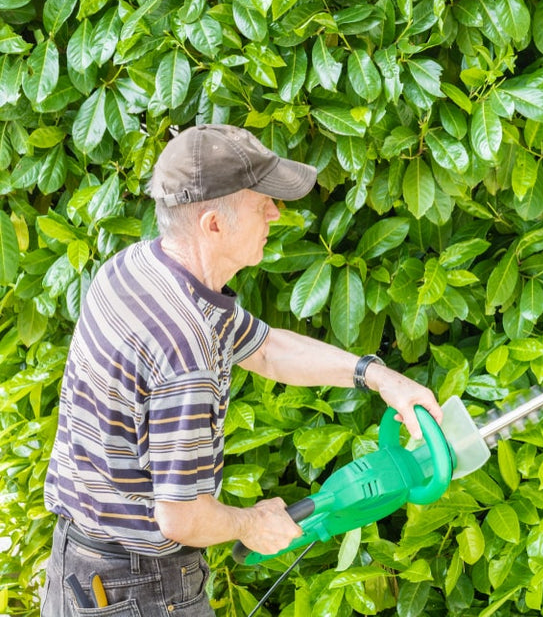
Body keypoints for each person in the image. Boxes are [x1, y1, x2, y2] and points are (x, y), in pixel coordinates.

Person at [40, 124, 442, 616]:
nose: (276, 212)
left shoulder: (140, 267)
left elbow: (267, 348)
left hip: (81, 564)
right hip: (137, 589)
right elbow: (181, 518)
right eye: (261, 203)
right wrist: (253, 524)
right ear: (213, 224)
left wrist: (377, 376)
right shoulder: (182, 346)